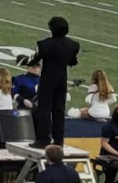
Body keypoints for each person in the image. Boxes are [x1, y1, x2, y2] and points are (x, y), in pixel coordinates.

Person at [28, 16, 80, 148]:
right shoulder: (73, 45)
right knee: (59, 109)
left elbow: (33, 60)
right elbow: (73, 62)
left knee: (44, 109)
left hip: (48, 78)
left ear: (51, 28)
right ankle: (59, 140)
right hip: (62, 78)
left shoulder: (44, 44)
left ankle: (44, 139)